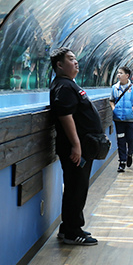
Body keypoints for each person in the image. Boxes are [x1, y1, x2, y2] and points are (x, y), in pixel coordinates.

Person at [49, 47, 100, 246]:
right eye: (70, 59)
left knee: (76, 187)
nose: (76, 62)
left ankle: (69, 227)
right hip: (75, 149)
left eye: (76, 59)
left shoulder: (69, 84)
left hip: (81, 147)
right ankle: (72, 232)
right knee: (76, 188)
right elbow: (65, 116)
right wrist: (76, 145)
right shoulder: (63, 86)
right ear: (59, 65)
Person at [110, 66, 133, 172]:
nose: (118, 75)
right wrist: (114, 109)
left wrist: (131, 110)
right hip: (118, 120)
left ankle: (129, 154)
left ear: (127, 75)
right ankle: (122, 161)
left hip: (130, 119)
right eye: (118, 73)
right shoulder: (114, 87)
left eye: (121, 73)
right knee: (121, 140)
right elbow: (111, 100)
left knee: (130, 139)